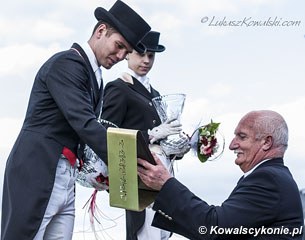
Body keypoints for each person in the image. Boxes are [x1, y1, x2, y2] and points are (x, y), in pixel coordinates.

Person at [1, 1, 151, 239]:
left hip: (66, 178)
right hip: (38, 171)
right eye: (119, 46)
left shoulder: (96, 76)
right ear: (101, 31)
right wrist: (129, 165)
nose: (121, 55)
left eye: (126, 52)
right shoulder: (67, 63)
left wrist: (101, 172)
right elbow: (84, 124)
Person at [138, 110, 304, 239]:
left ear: (266, 142)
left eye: (242, 136)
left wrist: (167, 184)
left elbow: (215, 228)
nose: (232, 145)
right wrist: (158, 196)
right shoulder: (273, 177)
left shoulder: (268, 180)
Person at [101, 31, 188, 240]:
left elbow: (162, 139)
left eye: (152, 55)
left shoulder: (156, 94)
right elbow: (107, 133)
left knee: (164, 231)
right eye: (141, 54)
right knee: (146, 232)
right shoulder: (118, 88)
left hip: (162, 171)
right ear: (129, 54)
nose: (146, 60)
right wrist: (150, 134)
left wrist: (178, 146)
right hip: (139, 177)